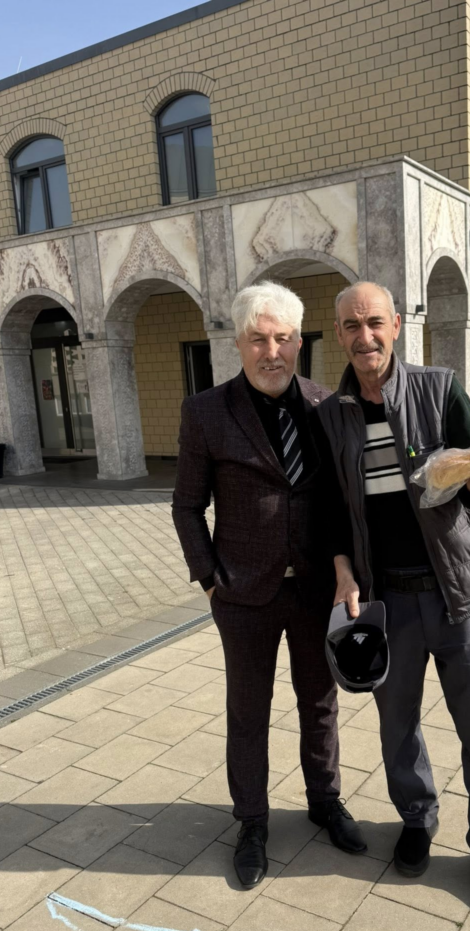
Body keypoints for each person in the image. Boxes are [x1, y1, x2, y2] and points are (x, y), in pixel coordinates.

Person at [317, 281, 470, 923]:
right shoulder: (332, 415)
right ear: (339, 334)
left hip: (457, 592)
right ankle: (417, 817)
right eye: (351, 325)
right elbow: (330, 507)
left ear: (396, 325)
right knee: (397, 723)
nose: (365, 337)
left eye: (374, 323)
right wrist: (342, 569)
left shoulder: (440, 389)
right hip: (387, 599)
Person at [172, 282, 366, 889]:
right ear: (239, 343)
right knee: (248, 712)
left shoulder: (326, 405)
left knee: (320, 703)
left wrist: (345, 568)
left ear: (299, 342)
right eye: (259, 339)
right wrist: (209, 581)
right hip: (243, 595)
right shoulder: (206, 411)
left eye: (283, 338)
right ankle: (251, 823)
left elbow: (339, 498)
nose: (272, 352)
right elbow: (186, 507)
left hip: (314, 589)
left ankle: (325, 801)